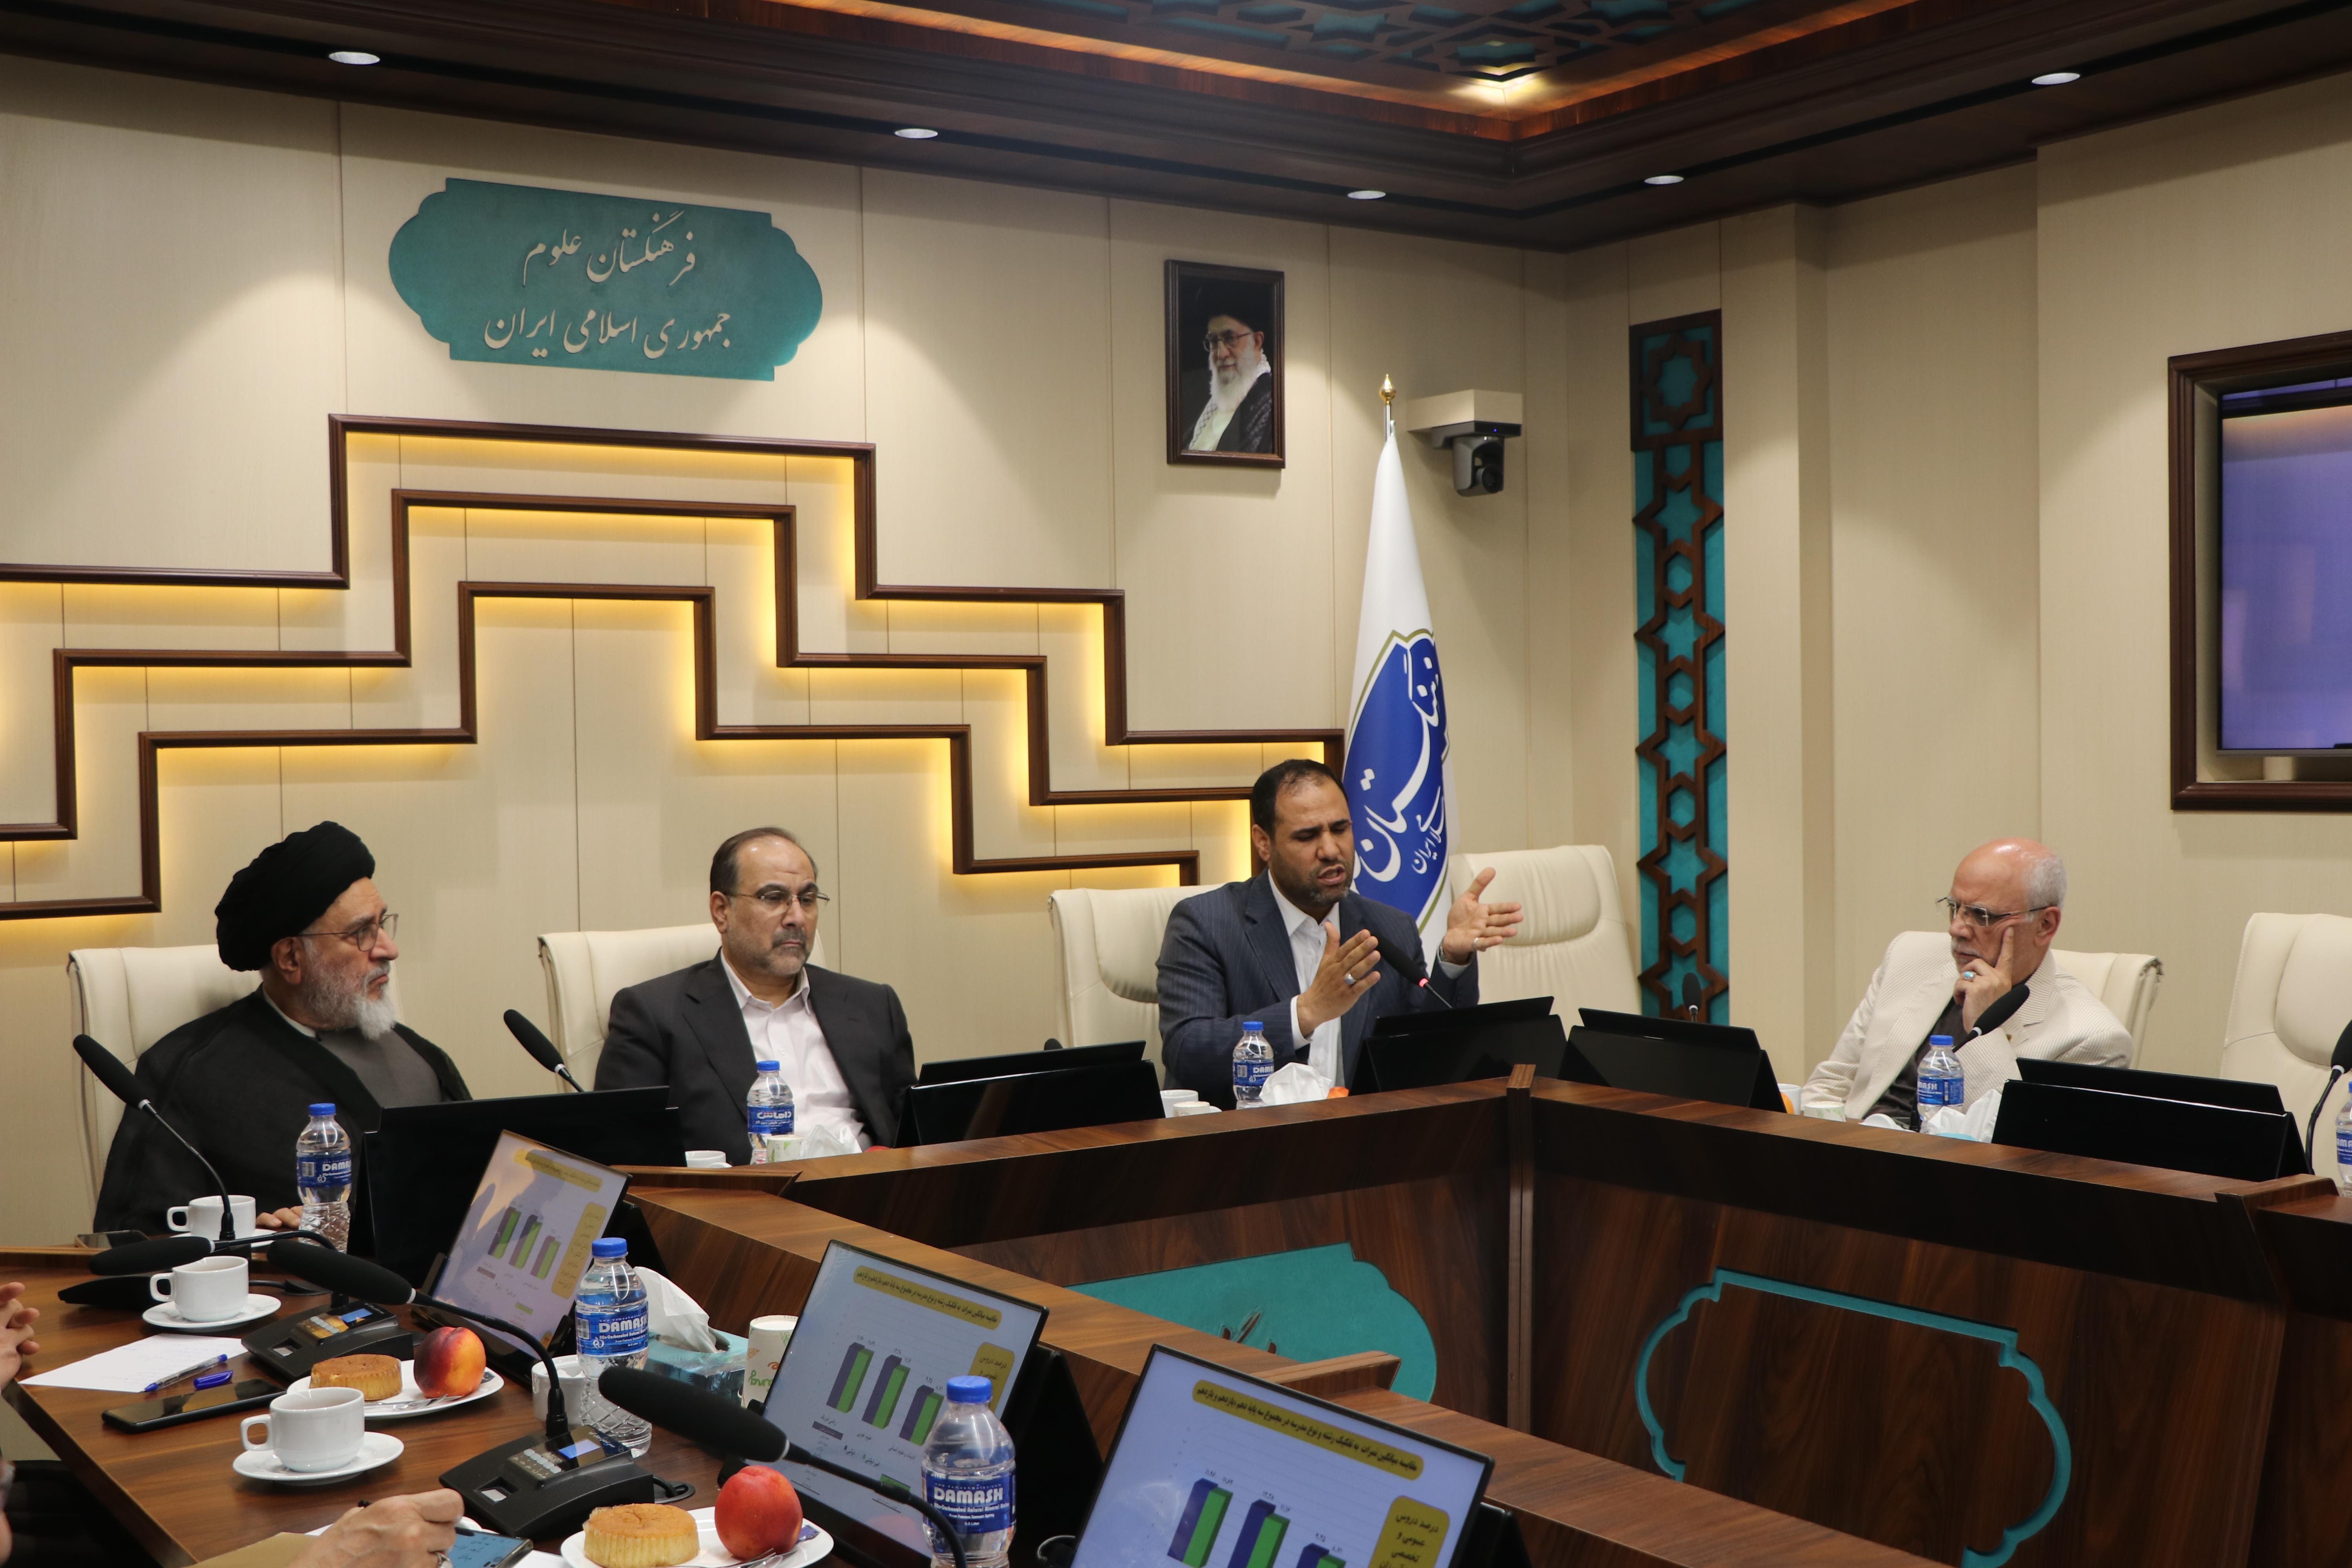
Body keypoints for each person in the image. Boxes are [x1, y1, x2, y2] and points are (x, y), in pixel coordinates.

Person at [91, 822, 469, 1236]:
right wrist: (247, 1238)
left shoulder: (419, 1056)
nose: (389, 949)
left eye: (382, 924)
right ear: (291, 958)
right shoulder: (189, 1073)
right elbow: (138, 1235)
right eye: (361, 933)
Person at [1157, 759, 1522, 1105]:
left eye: (1340, 829)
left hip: (1365, 1135)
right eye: (1307, 836)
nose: (1331, 850)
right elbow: (1187, 1050)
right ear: (1264, 843)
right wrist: (1306, 1011)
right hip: (1253, 1138)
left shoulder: (1389, 927)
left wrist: (1453, 958)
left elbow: (1429, 1050)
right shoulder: (1207, 922)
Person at [596, 828, 916, 1159]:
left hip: (867, 1185)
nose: (797, 918)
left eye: (807, 900)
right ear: (722, 911)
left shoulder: (872, 1005)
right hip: (742, 1190)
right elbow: (622, 1154)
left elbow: (915, 1133)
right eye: (774, 898)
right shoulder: (654, 1015)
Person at [1801, 838, 2131, 1127]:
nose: (1956, 929)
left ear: (2045, 924)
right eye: (1954, 908)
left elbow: (2022, 1149)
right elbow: (1830, 1084)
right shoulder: (1908, 957)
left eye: (1981, 915)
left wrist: (1987, 1026)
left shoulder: (2092, 1040)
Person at [1181, 296, 1275, 454]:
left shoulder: (1269, 398)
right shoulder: (1213, 403)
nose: (1221, 353)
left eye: (1231, 339)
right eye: (1214, 341)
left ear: (1257, 342)